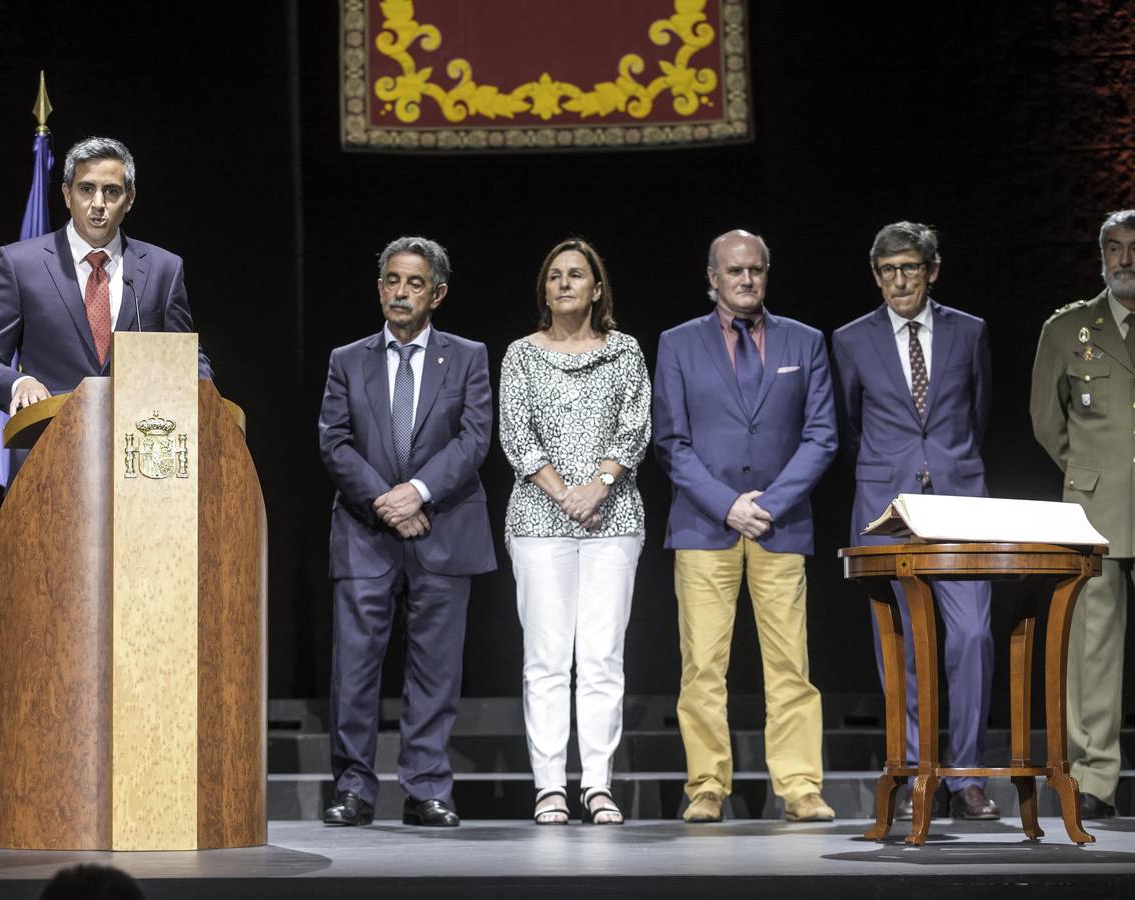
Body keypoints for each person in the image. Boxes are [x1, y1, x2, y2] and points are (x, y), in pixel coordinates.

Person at [652, 229, 837, 824]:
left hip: (780, 526)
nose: (746, 280)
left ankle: (801, 786)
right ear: (712, 277)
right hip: (706, 526)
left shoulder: (804, 341)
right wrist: (728, 504)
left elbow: (822, 435)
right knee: (703, 665)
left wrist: (771, 503)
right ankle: (706, 786)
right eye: (734, 271)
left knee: (790, 664)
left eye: (756, 269)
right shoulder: (678, 344)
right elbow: (671, 443)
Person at [318, 236, 496, 828]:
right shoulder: (347, 358)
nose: (400, 292)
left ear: (437, 294)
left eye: (414, 283)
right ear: (379, 288)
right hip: (366, 533)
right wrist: (384, 501)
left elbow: (474, 440)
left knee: (434, 670)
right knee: (356, 668)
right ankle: (352, 789)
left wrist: (417, 492)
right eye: (392, 280)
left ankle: (426, 790)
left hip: (442, 530)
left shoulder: (468, 356)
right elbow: (334, 442)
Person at [832, 221, 998, 821]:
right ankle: (910, 772)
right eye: (886, 271)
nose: (898, 281)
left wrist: (943, 466)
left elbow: (979, 412)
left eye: (909, 268)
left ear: (932, 270)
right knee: (898, 644)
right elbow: (851, 423)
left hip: (960, 504)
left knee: (973, 637)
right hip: (887, 508)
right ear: (875, 276)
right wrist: (895, 468)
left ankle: (967, 777)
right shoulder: (850, 339)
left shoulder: (969, 331)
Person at [498, 238, 650, 826]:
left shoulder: (625, 351)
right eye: (554, 276)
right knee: (546, 659)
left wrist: (599, 486)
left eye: (576, 275)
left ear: (596, 288)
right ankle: (549, 788)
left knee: (603, 658)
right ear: (545, 289)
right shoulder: (520, 355)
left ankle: (597, 785)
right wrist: (565, 493)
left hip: (613, 520)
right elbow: (516, 434)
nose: (564, 284)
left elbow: (636, 425)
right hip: (540, 521)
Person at [0, 136, 213, 481]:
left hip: (139, 473)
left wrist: (206, 394)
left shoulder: (163, 269)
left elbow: (186, 357)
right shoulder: (21, 264)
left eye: (111, 191)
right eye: (86, 189)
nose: (98, 203)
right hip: (48, 466)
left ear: (130, 199)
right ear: (67, 195)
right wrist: (19, 382)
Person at [1029, 209, 1135, 820]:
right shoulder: (1070, 328)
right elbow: (1049, 421)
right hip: (1097, 510)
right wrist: (1091, 473)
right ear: (1100, 254)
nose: (1124, 259)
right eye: (1113, 248)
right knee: (1092, 649)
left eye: (1132, 248)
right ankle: (1093, 780)